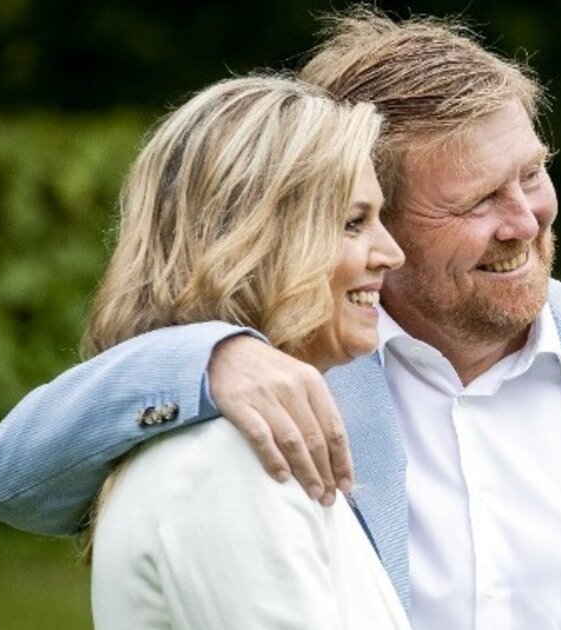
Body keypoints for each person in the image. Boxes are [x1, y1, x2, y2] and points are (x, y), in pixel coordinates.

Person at [0, 8, 561, 629]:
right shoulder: (292, 368)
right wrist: (210, 360)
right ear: (369, 213)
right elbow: (12, 483)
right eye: (476, 201)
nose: (525, 220)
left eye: (533, 173)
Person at [68, 75, 408, 628]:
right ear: (257, 240)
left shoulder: (248, 440)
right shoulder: (230, 460)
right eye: (353, 223)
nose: (391, 254)